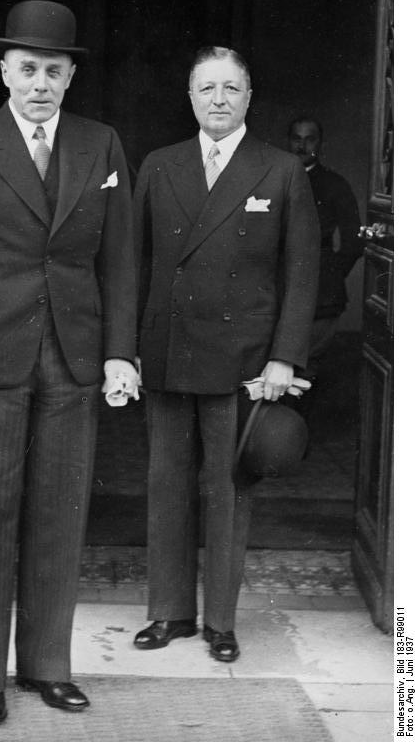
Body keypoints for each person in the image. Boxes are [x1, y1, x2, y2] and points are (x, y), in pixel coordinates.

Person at [0, 0, 138, 726]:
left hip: (72, 357)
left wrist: (117, 356)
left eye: (54, 69)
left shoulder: (100, 144)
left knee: (58, 517)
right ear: (2, 72)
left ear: (70, 77)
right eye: (28, 69)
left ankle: (47, 666)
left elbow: (120, 261)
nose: (40, 83)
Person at [132, 46, 320, 663]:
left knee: (228, 487)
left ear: (248, 99)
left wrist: (284, 358)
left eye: (230, 89)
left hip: (243, 360)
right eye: (206, 88)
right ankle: (169, 613)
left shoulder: (280, 169)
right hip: (166, 350)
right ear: (189, 97)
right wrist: (125, 350)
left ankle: (220, 621)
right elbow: (133, 264)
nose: (218, 99)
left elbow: (302, 273)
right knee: (166, 483)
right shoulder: (159, 165)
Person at [287, 117, 363, 377]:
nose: (302, 145)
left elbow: (354, 241)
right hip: (276, 285)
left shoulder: (335, 184)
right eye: (297, 138)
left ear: (320, 143)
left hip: (321, 291)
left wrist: (329, 274)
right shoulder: (272, 181)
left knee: (307, 368)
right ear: (289, 141)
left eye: (310, 138)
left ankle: (299, 418)